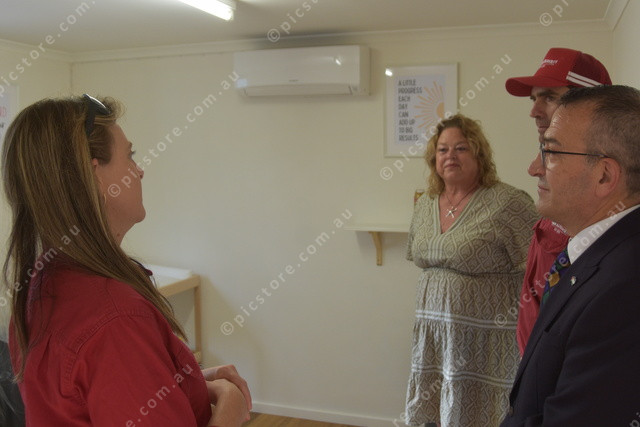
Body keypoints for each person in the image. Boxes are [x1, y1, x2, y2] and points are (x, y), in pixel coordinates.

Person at [1, 95, 251, 426]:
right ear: (96, 177)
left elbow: (95, 399)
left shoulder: (39, 288)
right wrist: (231, 405)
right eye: (130, 156)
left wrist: (187, 378)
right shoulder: (116, 320)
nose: (139, 170)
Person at [501, 85, 640, 426]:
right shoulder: (595, 254)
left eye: (550, 152)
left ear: (604, 175)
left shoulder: (624, 288)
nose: (534, 168)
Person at [404, 114, 537, 426]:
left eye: (461, 148)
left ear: (479, 154)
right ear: (433, 158)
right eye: (443, 149)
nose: (450, 156)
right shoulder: (425, 203)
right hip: (434, 340)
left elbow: (540, 265)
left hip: (487, 341)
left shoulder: (508, 202)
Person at [504, 47, 611, 355]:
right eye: (533, 99)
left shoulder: (605, 188)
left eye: (549, 97)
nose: (534, 111)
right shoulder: (553, 171)